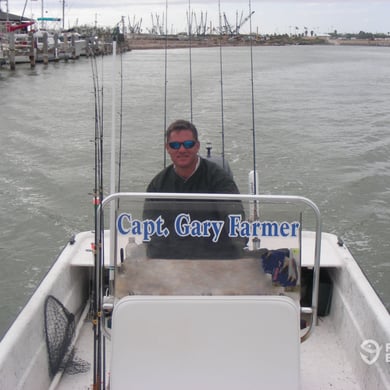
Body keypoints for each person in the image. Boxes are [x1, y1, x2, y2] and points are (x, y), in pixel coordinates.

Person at [143, 119, 246, 259]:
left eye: (188, 144)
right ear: (167, 148)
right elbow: (152, 234)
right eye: (175, 145)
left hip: (215, 259)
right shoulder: (157, 185)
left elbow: (235, 223)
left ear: (197, 146)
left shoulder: (220, 180)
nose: (182, 150)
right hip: (173, 262)